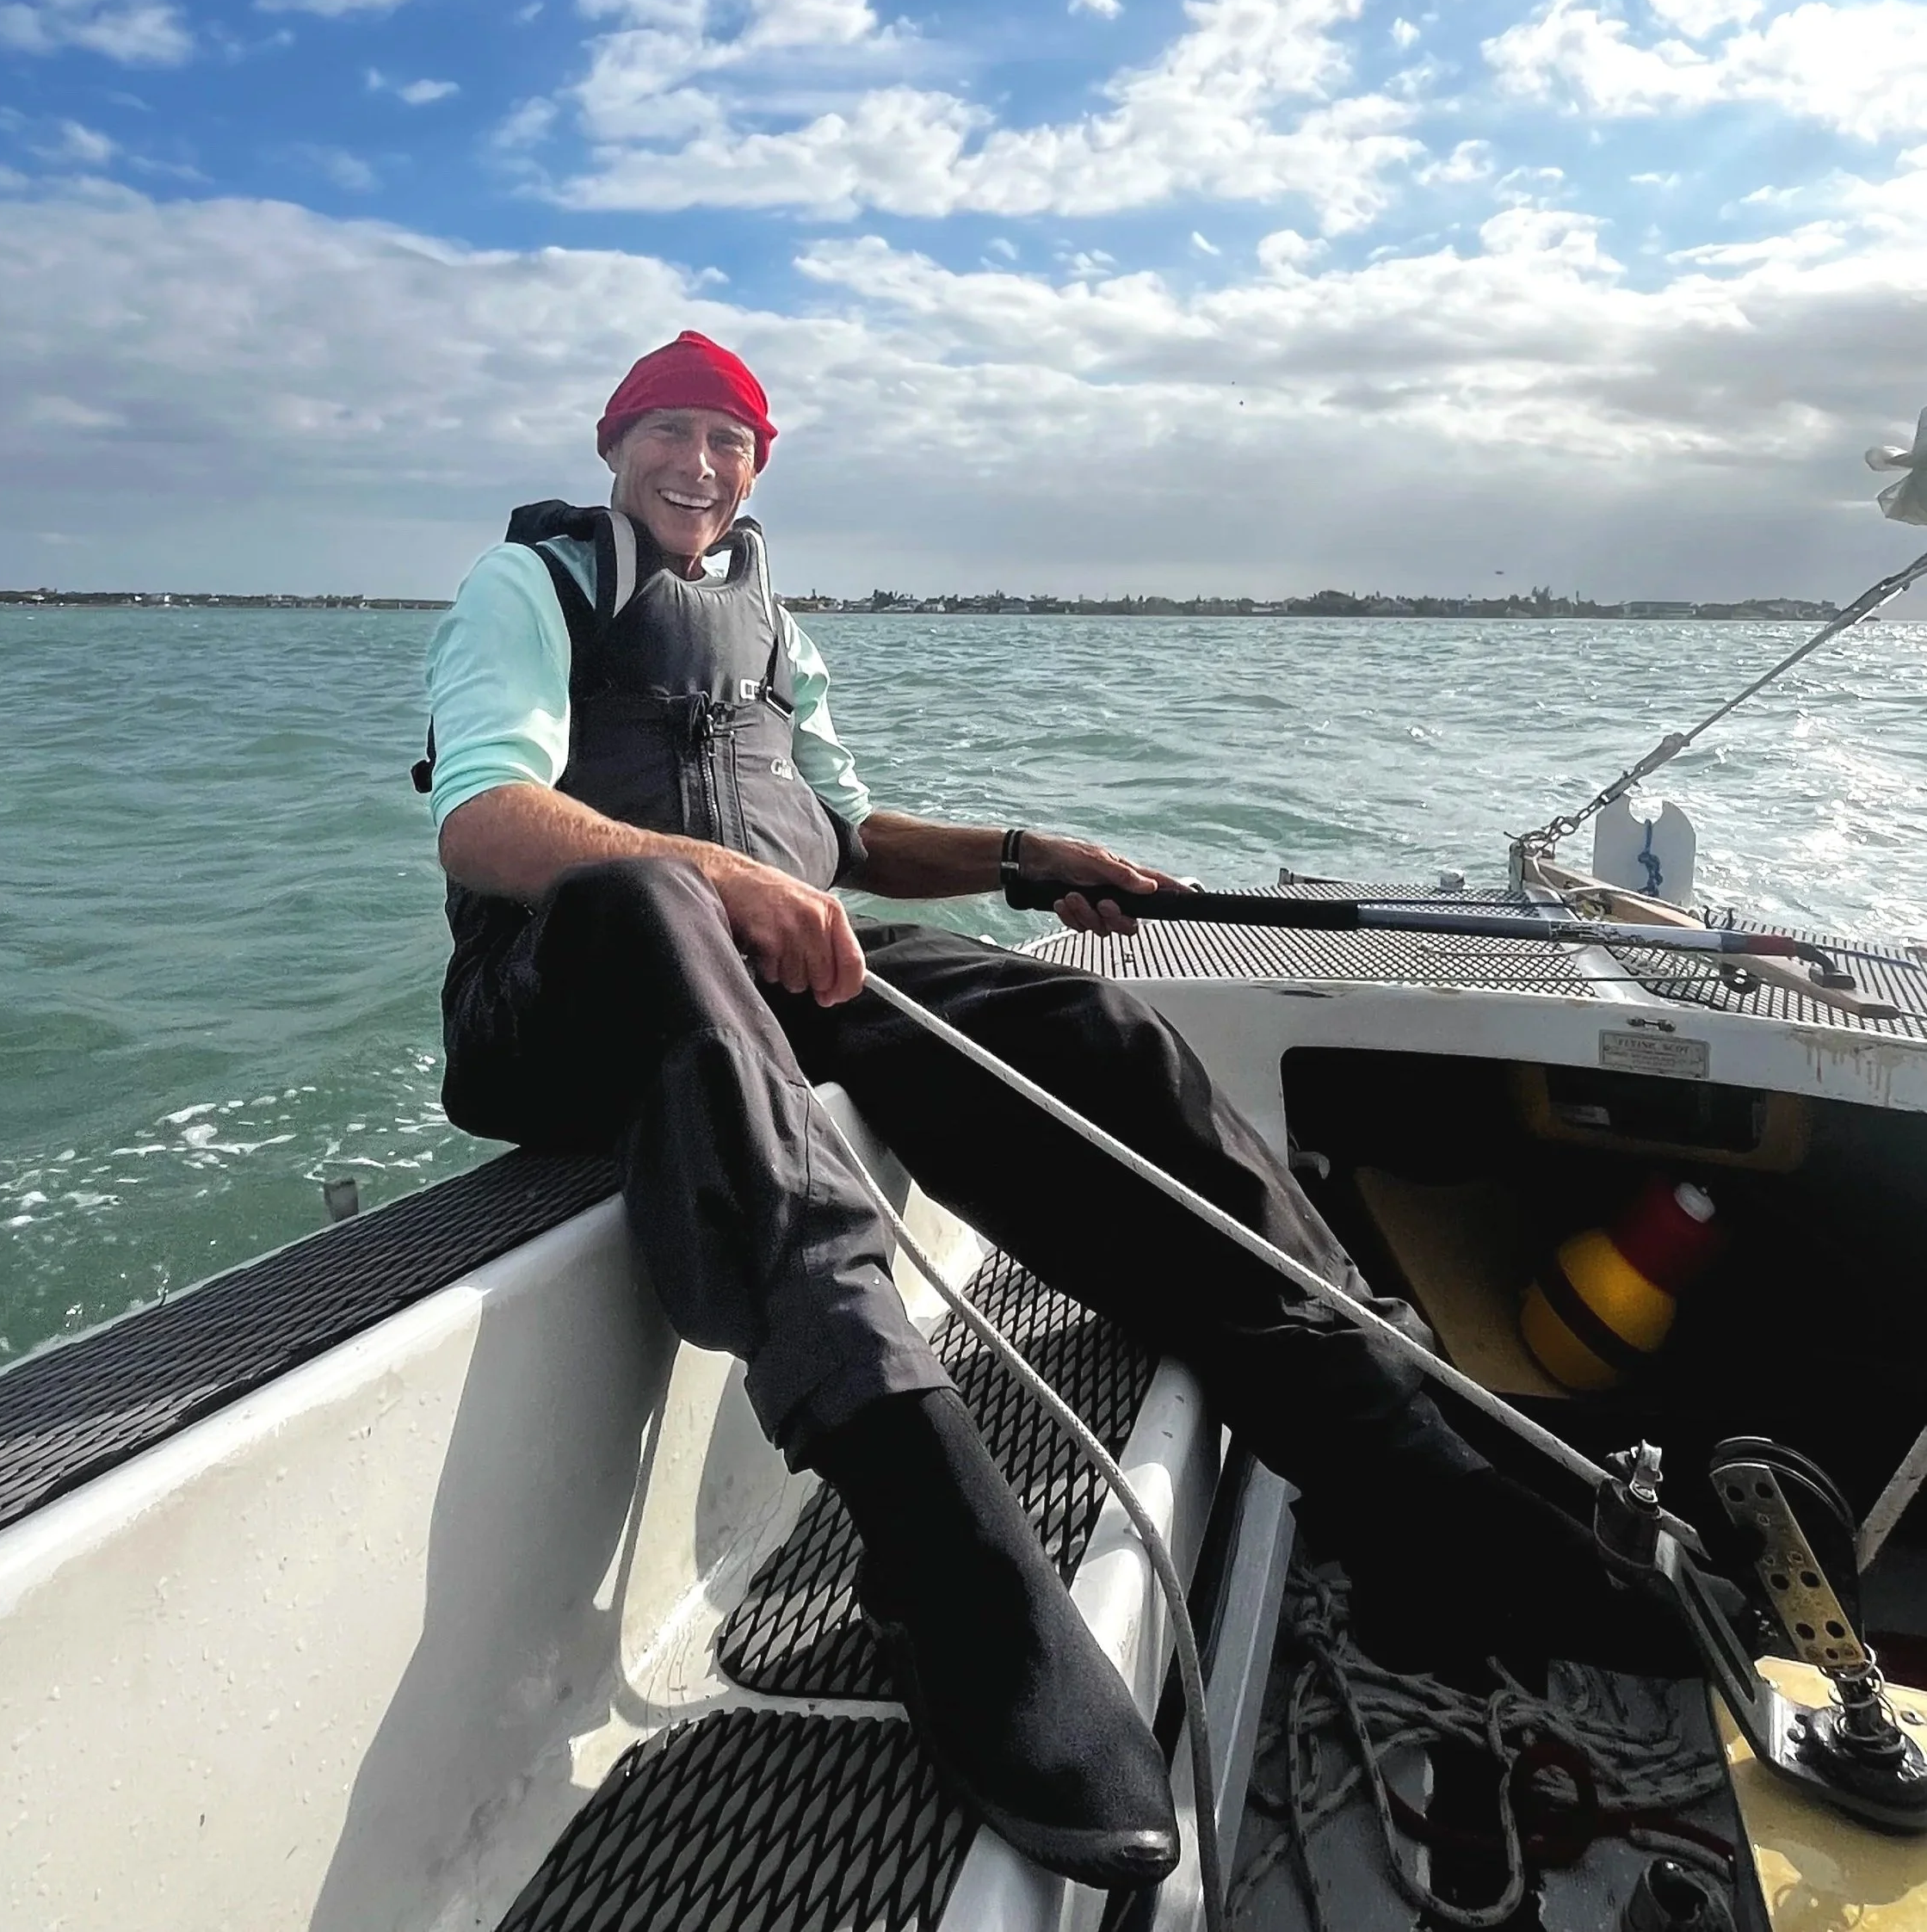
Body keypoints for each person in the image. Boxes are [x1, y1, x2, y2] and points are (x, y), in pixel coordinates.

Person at [422, 330, 1687, 1893]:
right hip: (566, 1005)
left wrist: (1027, 853)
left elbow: (848, 832)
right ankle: (938, 1546)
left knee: (1090, 1022)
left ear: (761, 465)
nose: (694, 464)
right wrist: (728, 878)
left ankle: (1400, 1468)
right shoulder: (535, 587)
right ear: (614, 447)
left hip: (762, 965)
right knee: (652, 906)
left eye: (725, 440)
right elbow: (485, 818)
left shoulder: (770, 618)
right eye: (664, 434)